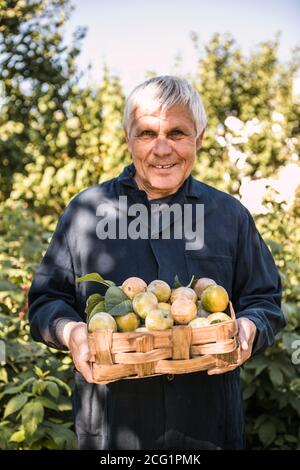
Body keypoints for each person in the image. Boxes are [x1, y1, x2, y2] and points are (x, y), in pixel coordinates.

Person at [28, 75, 286, 450]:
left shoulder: (229, 216)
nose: (162, 149)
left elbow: (264, 300)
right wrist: (71, 333)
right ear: (128, 138)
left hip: (207, 429)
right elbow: (46, 301)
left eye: (178, 133)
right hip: (115, 430)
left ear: (199, 138)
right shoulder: (85, 213)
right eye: (147, 133)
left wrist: (248, 329)